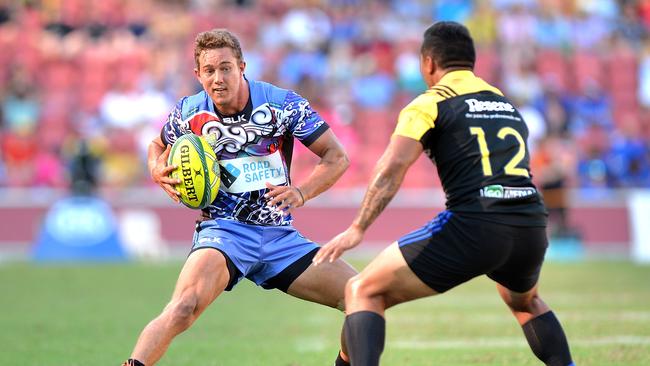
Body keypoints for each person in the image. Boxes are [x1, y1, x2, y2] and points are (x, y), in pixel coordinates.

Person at [314, 21, 575, 366]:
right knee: (525, 302)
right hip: (530, 224)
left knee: (362, 290)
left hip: (476, 225)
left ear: (428, 63)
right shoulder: (504, 103)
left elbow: (392, 168)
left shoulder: (430, 102)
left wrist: (358, 227)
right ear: (471, 62)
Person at [122, 29, 357, 366]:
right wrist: (156, 167)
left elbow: (337, 156)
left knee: (362, 296)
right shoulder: (188, 112)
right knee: (183, 307)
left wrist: (302, 192)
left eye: (226, 68)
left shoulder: (282, 104)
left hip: (279, 236)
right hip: (223, 232)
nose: (218, 78)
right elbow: (157, 144)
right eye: (209, 70)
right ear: (197, 75)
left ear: (242, 67)